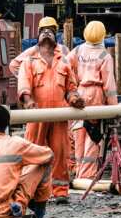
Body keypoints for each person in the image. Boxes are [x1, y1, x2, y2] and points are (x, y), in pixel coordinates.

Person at [15, 18, 84, 201]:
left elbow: (71, 88)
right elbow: (23, 83)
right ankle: (29, 191)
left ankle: (60, 191)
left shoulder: (63, 62)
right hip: (37, 114)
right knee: (32, 152)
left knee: (60, 153)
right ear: (37, 35)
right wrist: (28, 101)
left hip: (59, 115)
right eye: (43, 30)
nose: (47, 33)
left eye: (51, 30)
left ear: (56, 36)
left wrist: (75, 99)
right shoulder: (29, 60)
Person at [68, 21, 119, 179]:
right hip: (95, 94)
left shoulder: (77, 50)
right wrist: (114, 108)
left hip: (80, 92)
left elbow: (64, 67)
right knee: (93, 134)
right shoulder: (104, 55)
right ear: (103, 35)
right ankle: (87, 175)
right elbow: (109, 85)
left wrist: (72, 87)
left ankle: (77, 172)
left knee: (79, 132)